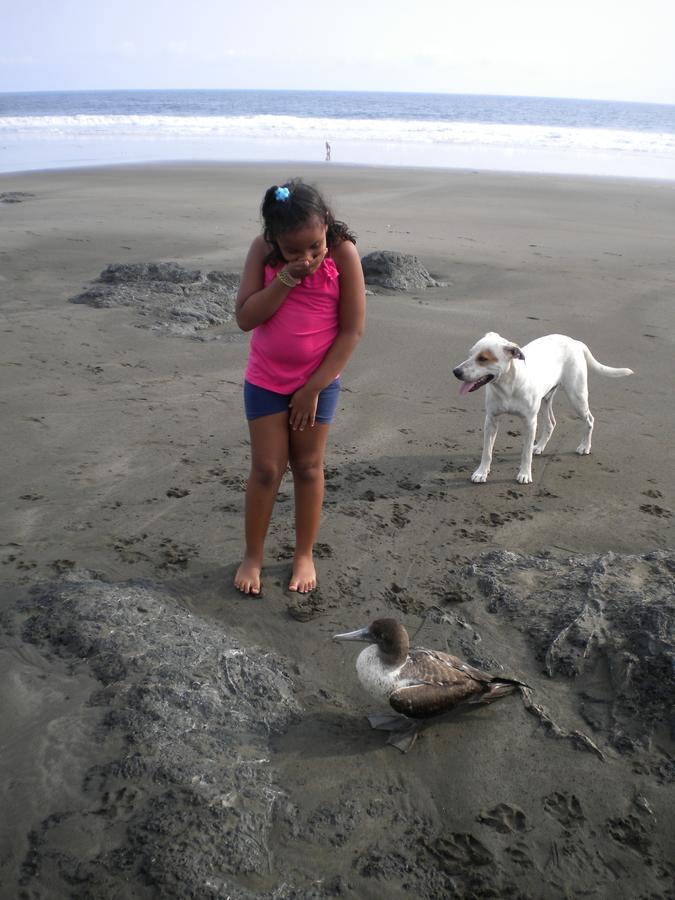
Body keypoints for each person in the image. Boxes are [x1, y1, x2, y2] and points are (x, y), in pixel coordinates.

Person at [234, 179, 366, 596]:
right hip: (266, 381)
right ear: (273, 239)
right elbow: (246, 318)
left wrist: (312, 389)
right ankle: (252, 555)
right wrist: (285, 279)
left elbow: (352, 331)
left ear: (326, 223)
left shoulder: (343, 253)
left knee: (308, 468)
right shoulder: (262, 251)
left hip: (318, 383)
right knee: (267, 469)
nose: (307, 258)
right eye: (294, 252)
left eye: (315, 246)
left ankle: (303, 553)